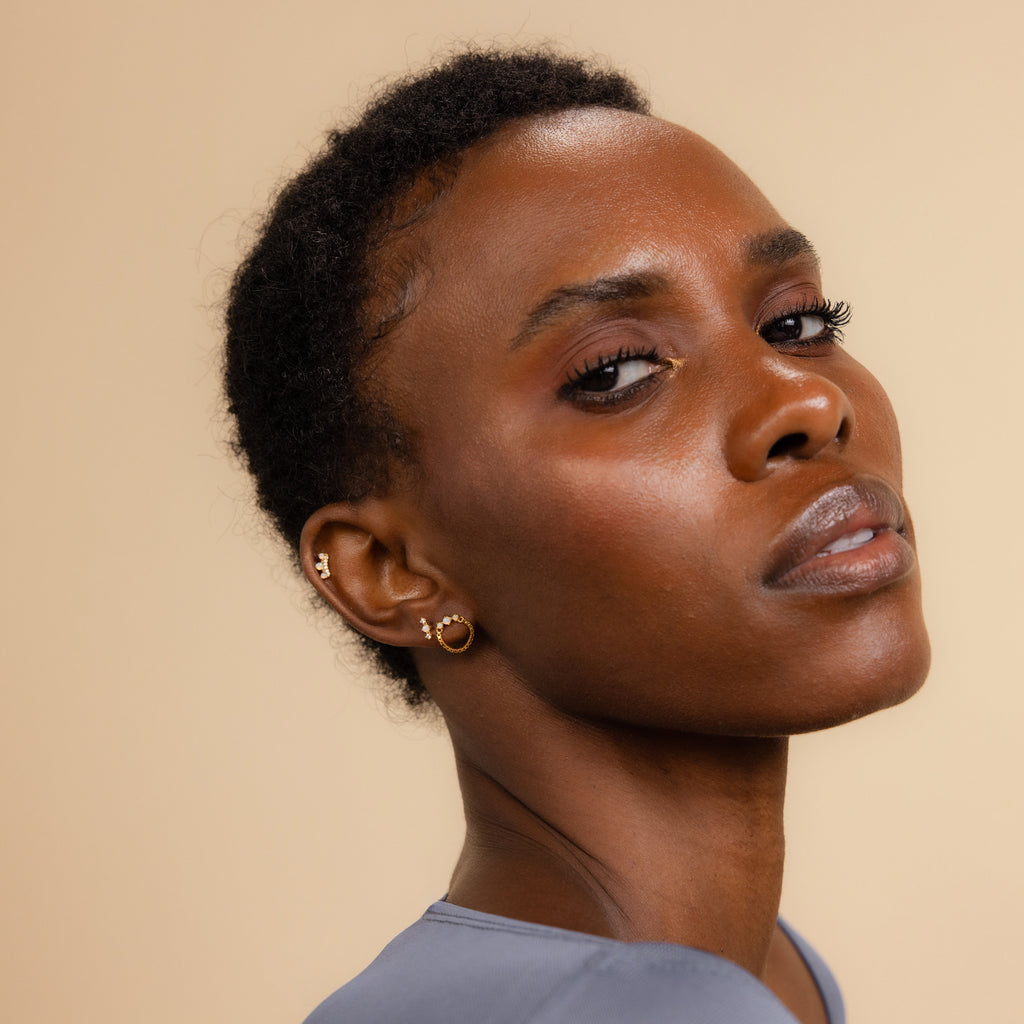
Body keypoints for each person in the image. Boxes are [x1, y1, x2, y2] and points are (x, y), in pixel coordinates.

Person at [223, 48, 930, 1024]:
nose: (806, 398)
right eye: (616, 373)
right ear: (391, 572)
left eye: (797, 320)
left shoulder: (758, 977)